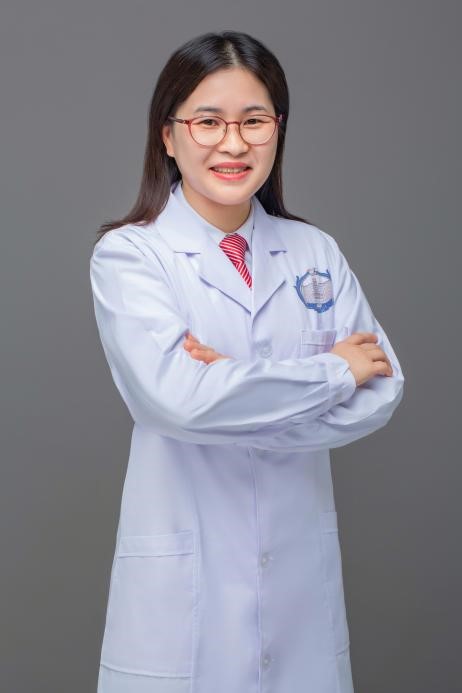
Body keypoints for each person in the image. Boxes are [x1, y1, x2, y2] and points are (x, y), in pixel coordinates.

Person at [89, 30, 404, 693]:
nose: (233, 144)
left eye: (254, 121)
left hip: (299, 590)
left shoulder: (315, 251)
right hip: (184, 595)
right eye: (208, 122)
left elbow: (383, 389)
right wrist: (332, 372)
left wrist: (227, 391)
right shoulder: (131, 255)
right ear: (168, 135)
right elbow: (174, 401)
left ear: (277, 130)